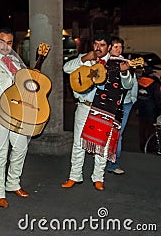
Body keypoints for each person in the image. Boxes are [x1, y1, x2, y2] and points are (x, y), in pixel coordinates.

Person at [62, 32, 133, 191]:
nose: (98, 48)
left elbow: (127, 85)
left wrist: (124, 72)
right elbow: (66, 68)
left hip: (105, 109)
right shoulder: (86, 58)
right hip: (84, 106)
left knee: (103, 145)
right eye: (96, 44)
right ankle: (74, 176)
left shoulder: (116, 63)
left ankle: (98, 178)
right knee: (78, 143)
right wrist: (84, 59)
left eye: (102, 45)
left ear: (108, 47)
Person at [0, 28, 29, 208]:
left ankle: (13, 183)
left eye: (9, 43)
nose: (5, 46)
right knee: (0, 153)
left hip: (18, 111)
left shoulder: (15, 61)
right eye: (2, 42)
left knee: (20, 147)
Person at [106, 37, 137, 174]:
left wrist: (133, 98)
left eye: (120, 47)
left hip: (125, 103)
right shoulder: (104, 61)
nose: (118, 50)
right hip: (108, 101)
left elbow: (132, 83)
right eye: (115, 47)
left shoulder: (126, 62)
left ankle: (113, 163)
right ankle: (104, 161)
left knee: (118, 134)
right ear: (109, 48)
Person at [136, 65, 161, 152]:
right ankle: (150, 147)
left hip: (141, 108)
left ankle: (142, 146)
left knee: (142, 128)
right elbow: (157, 97)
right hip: (152, 109)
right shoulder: (155, 83)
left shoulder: (139, 81)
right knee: (151, 129)